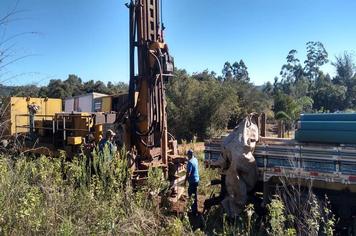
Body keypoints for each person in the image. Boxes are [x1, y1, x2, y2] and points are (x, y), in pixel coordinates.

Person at [184, 149, 200, 215]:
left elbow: (188, 173)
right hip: (196, 180)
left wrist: (185, 181)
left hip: (192, 181)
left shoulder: (190, 162)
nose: (187, 156)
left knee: (191, 196)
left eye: (187, 155)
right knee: (195, 195)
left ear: (189, 155)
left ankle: (193, 212)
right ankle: (195, 210)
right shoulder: (195, 159)